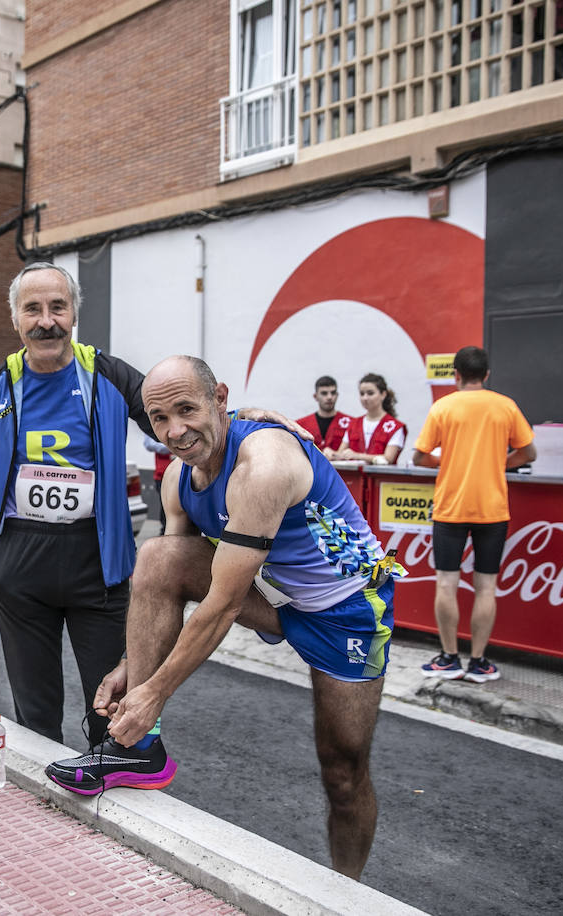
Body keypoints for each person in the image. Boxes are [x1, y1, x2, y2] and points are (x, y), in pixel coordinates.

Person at [45, 355, 401, 881]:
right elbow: (168, 584)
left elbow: (222, 605)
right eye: (160, 418)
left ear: (220, 398)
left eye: (187, 409)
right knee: (159, 555)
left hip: (344, 610)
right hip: (272, 593)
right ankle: (139, 750)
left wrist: (152, 693)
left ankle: (347, 893)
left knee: (343, 770)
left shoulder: (264, 464)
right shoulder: (178, 482)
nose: (176, 431)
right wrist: (132, 663)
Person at [0, 262, 307, 747]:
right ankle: (44, 811)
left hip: (96, 562)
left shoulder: (107, 374)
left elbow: (178, 416)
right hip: (18, 560)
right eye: (32, 309)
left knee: (113, 708)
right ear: (15, 318)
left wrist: (241, 414)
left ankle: (115, 785)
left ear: (73, 313)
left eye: (58, 307)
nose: (46, 320)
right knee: (33, 716)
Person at [412, 346, 536, 683]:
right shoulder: (505, 406)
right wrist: (501, 463)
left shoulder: (444, 407)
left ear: (455, 375)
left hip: (451, 507)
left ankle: (449, 658)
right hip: (493, 508)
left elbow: (420, 457)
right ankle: (479, 662)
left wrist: (445, 461)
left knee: (446, 583)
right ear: (486, 375)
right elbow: (529, 452)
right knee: (486, 587)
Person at [328, 373, 405, 465]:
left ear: (383, 394)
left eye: (370, 393)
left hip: (380, 478)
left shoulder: (395, 427)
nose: (365, 398)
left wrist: (357, 456)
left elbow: (388, 458)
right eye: (362, 394)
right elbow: (341, 454)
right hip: (355, 479)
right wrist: (330, 454)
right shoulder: (354, 423)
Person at [296, 375, 349, 452]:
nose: (329, 397)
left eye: (333, 393)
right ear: (315, 396)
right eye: (324, 393)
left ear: (337, 395)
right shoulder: (301, 425)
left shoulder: (351, 423)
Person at [142, 434, 172, 534]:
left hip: (187, 473)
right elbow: (149, 444)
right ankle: (166, 533)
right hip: (163, 474)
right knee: (166, 507)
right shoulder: (150, 422)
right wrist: (173, 446)